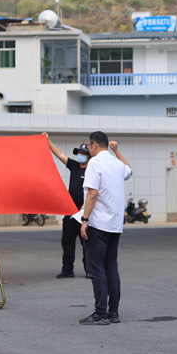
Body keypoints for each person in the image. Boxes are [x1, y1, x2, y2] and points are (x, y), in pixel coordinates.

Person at [78, 131, 132, 326]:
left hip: (98, 223)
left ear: (93, 145)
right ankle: (113, 312)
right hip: (115, 225)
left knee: (96, 269)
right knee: (111, 267)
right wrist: (117, 151)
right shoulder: (118, 164)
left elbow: (92, 193)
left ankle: (100, 312)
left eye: (88, 146)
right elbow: (129, 169)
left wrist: (85, 220)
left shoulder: (95, 163)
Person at [44, 132, 90, 279]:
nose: (80, 155)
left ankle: (90, 270)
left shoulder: (93, 169)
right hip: (70, 213)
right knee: (67, 242)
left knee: (86, 244)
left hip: (84, 214)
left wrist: (85, 211)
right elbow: (59, 154)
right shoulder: (74, 166)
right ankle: (67, 269)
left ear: (89, 156)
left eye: (83, 153)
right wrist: (48, 140)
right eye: (79, 153)